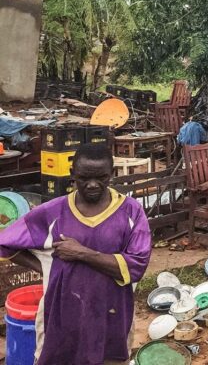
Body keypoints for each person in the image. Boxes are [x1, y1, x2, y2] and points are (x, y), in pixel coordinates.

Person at [0, 143, 152, 365]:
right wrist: (48, 267)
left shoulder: (130, 212)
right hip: (60, 317)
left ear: (112, 174)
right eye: (83, 178)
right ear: (72, 175)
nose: (92, 184)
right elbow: (5, 242)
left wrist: (82, 253)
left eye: (101, 177)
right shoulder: (53, 212)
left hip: (111, 316)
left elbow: (137, 265)